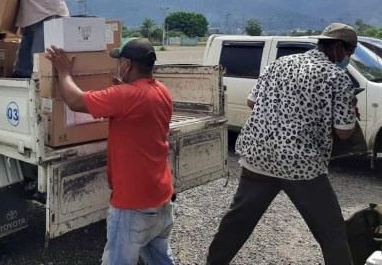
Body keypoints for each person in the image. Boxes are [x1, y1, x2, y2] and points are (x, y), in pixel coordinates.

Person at [205, 23, 358, 265]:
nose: (347, 58)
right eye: (349, 53)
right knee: (332, 231)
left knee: (238, 222)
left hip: (258, 156)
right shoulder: (336, 76)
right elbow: (344, 132)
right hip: (301, 165)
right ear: (338, 48)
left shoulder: (278, 64)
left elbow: (251, 102)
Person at [45, 38, 176, 265]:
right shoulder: (162, 91)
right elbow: (138, 104)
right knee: (160, 259)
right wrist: (124, 90)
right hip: (161, 197)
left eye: (120, 62)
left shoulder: (125, 97)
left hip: (133, 204)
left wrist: (63, 71)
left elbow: (75, 101)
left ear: (127, 65)